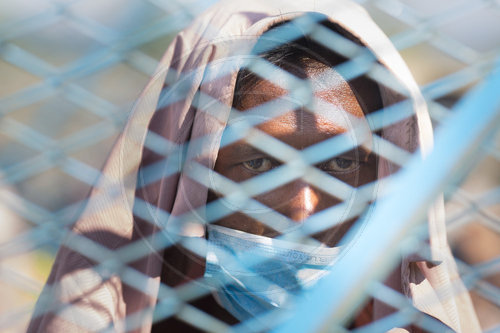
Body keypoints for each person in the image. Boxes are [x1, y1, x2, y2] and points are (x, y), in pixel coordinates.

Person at [28, 0, 480, 332]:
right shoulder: (107, 318)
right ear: (190, 172)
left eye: (341, 163)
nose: (304, 207)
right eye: (262, 162)